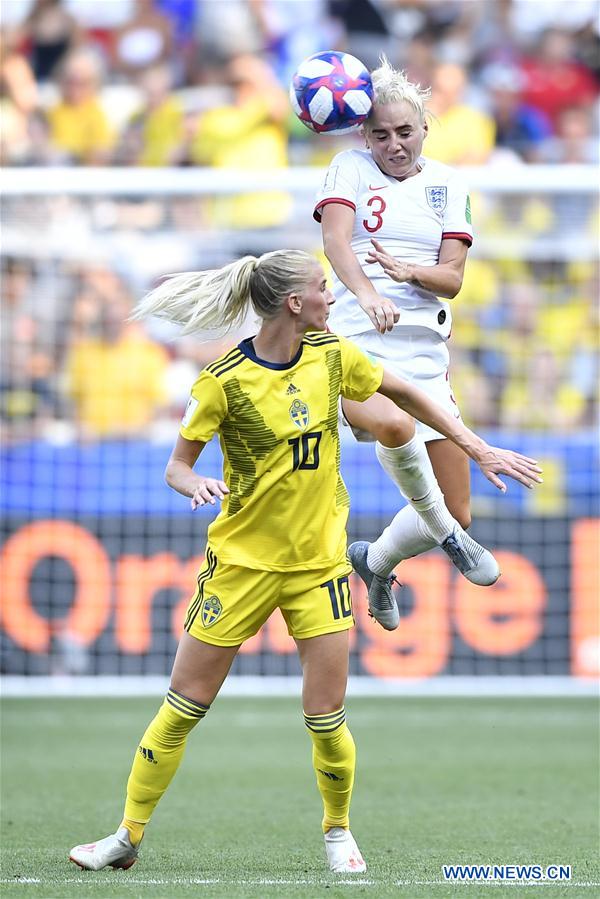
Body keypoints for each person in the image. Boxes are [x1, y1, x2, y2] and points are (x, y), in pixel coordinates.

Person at [68, 250, 541, 875]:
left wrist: (477, 448)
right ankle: (126, 835)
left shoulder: (333, 355)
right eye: (324, 288)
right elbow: (176, 466)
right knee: (183, 706)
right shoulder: (222, 381)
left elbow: (407, 395)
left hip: (319, 567)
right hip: (240, 567)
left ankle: (338, 833)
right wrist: (196, 484)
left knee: (325, 718)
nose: (331, 297)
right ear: (296, 303)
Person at [313, 57, 506, 627]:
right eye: (381, 134)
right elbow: (336, 241)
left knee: (461, 510)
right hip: (356, 343)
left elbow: (453, 278)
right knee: (391, 424)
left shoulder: (449, 184)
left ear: (424, 128)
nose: (394, 144)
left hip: (425, 355)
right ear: (363, 135)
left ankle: (374, 560)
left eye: (404, 132)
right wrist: (370, 292)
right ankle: (449, 542)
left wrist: (406, 271)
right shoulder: (348, 166)